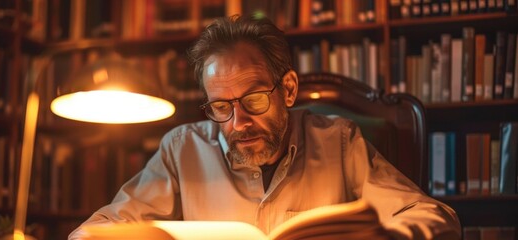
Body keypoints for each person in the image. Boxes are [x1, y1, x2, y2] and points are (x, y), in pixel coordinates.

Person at [69, 15, 460, 240]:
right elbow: (94, 231)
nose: (238, 122)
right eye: (221, 106)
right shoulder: (182, 149)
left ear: (288, 89)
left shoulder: (339, 141)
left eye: (254, 100)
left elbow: (436, 219)